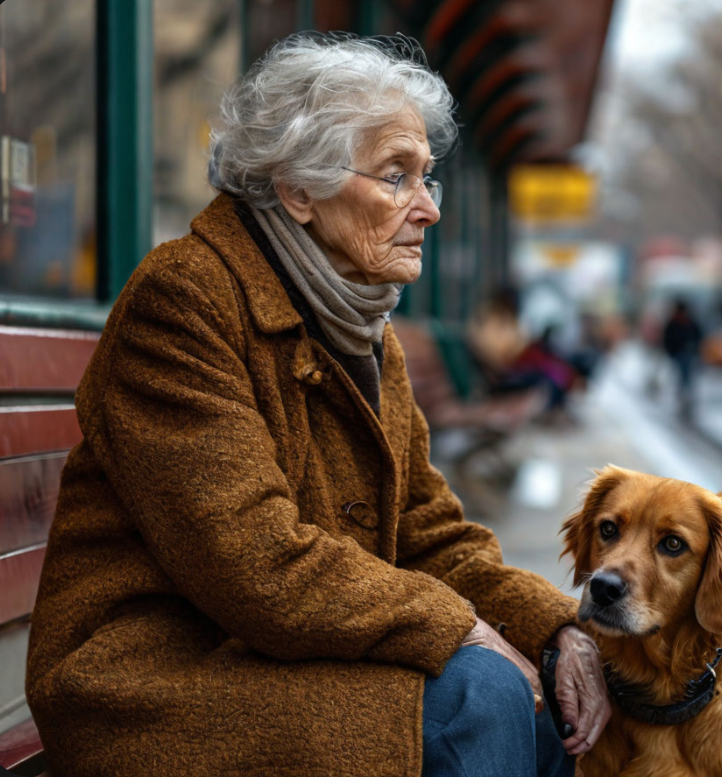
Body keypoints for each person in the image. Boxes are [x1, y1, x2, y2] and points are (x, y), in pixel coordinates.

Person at [25, 33, 610, 777]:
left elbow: (427, 533)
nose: (427, 208)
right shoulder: (185, 300)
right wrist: (457, 624)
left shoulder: (361, 325)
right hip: (159, 679)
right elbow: (253, 563)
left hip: (279, 656)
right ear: (299, 190)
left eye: (429, 178)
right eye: (398, 177)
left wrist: (554, 628)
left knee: (548, 692)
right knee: (484, 694)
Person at [662, 298, 703, 417]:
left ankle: (687, 397)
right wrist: (672, 352)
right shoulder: (674, 323)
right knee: (682, 376)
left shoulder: (689, 322)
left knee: (687, 376)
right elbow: (668, 339)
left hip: (688, 354)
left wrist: (696, 350)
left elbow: (698, 336)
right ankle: (684, 397)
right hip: (679, 354)